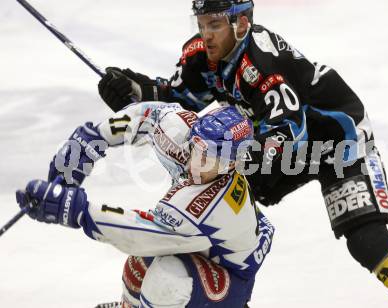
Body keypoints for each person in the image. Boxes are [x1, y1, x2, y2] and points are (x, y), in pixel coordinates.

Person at [96, 0, 388, 307]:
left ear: (241, 23)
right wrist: (135, 90)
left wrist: (228, 159)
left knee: (367, 241)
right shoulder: (202, 54)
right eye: (201, 24)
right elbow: (179, 99)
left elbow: (291, 135)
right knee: (217, 200)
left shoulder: (261, 63)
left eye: (215, 24)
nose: (206, 34)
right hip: (285, 144)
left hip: (339, 145)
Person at [16, 103, 274, 307]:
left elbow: (139, 233)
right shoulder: (184, 133)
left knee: (165, 279)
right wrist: (94, 138)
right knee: (137, 267)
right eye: (198, 148)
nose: (198, 163)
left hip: (230, 276)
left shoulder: (214, 205)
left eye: (213, 158)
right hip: (206, 248)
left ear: (231, 164)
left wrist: (76, 210)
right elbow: (148, 116)